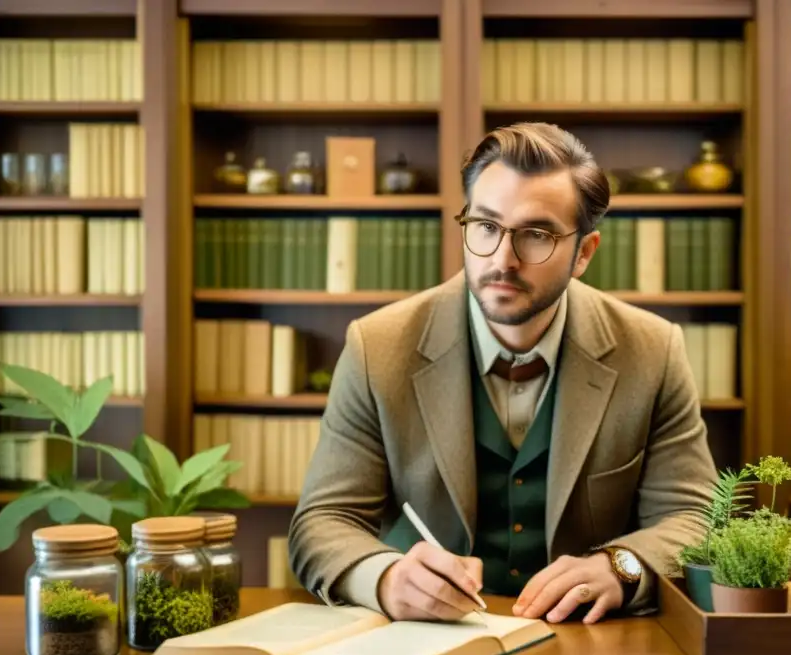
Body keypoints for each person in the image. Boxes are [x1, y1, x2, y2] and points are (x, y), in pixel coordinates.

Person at [289, 121, 717, 626]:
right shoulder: (376, 346)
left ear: (584, 253)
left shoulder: (652, 350)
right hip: (422, 643)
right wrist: (384, 578)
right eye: (486, 227)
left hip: (591, 643)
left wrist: (621, 567)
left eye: (536, 235)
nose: (502, 259)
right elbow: (322, 521)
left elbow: (695, 519)